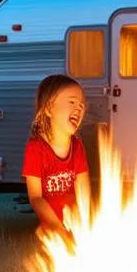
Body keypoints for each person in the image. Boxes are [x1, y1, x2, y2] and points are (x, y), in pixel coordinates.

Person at [22, 74, 91, 240]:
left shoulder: (77, 146)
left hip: (76, 227)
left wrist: (85, 222)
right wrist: (58, 229)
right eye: (72, 102)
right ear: (48, 109)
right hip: (52, 231)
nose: (79, 108)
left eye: (81, 104)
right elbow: (36, 198)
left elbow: (84, 190)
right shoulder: (36, 149)